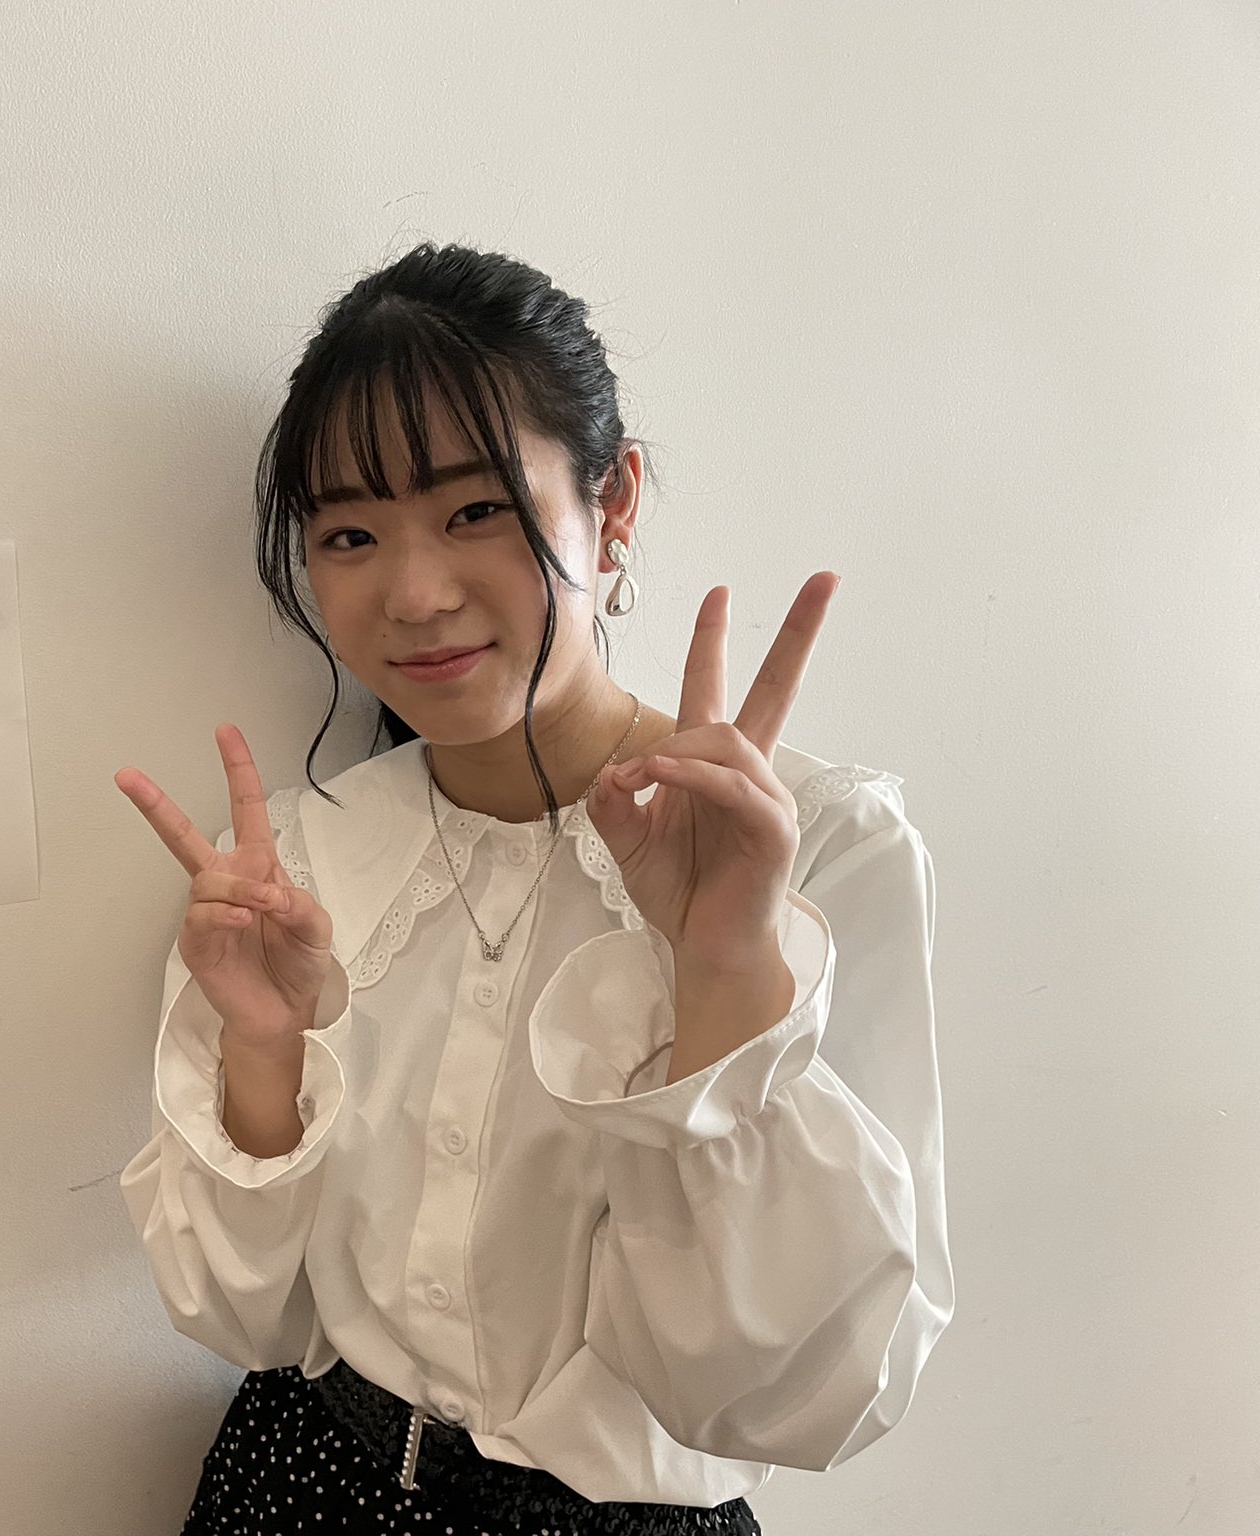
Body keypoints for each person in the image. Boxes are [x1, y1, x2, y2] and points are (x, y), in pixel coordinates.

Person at [113, 243, 952, 1535]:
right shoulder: (298, 864)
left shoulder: (813, 848)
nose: (414, 595)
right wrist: (266, 1055)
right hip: (296, 1485)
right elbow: (247, 1320)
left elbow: (800, 1398)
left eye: (476, 511)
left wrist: (725, 974)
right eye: (350, 535)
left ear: (613, 504)